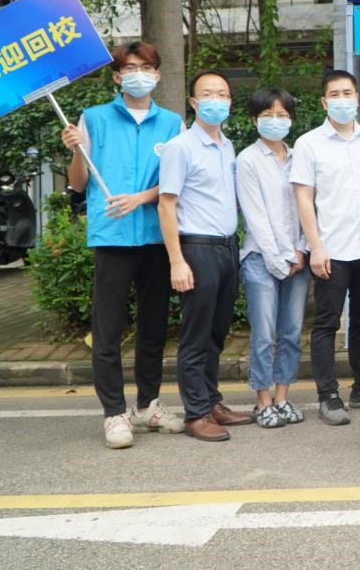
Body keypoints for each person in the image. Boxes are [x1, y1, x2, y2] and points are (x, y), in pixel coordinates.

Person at [60, 41, 186, 449]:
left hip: (156, 237)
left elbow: (180, 181)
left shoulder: (172, 124)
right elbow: (78, 183)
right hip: (112, 237)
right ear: (117, 76)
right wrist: (76, 151)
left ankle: (147, 405)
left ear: (157, 75)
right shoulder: (93, 118)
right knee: (108, 331)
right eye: (130, 68)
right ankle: (114, 413)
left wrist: (140, 198)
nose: (138, 75)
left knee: (153, 328)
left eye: (146, 68)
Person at [292, 70, 360, 426]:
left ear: (357, 98)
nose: (342, 100)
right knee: (327, 322)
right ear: (324, 102)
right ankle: (328, 395)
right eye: (334, 94)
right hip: (331, 248)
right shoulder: (309, 144)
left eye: (347, 93)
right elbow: (304, 198)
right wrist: (315, 246)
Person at [158, 70, 252, 442]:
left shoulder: (227, 145)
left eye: (223, 94)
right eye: (208, 94)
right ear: (194, 103)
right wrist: (176, 260)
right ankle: (196, 413)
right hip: (197, 248)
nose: (217, 100)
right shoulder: (180, 147)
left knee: (216, 332)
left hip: (227, 247)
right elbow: (166, 205)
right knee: (195, 335)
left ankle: (212, 402)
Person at [236, 87, 310, 429]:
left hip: (298, 257)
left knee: (291, 332)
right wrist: (281, 258)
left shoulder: (300, 157)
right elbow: (256, 217)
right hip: (260, 258)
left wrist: (301, 249)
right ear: (254, 120)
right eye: (268, 116)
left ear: (291, 119)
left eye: (282, 115)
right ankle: (262, 401)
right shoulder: (247, 160)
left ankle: (282, 397)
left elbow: (309, 208)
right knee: (264, 334)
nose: (275, 121)